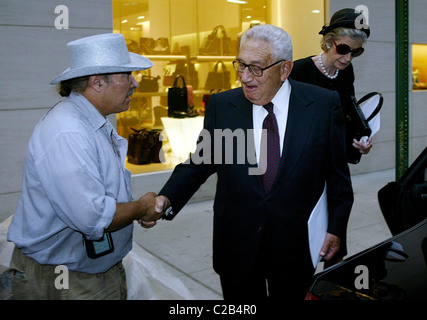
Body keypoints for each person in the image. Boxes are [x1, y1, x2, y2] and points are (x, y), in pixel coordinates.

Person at [150, 24, 354, 300]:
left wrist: (336, 229)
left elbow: (337, 176)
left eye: (256, 68)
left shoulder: (321, 104)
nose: (245, 77)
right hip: (237, 245)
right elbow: (201, 162)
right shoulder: (224, 106)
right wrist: (166, 199)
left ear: (285, 69)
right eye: (241, 66)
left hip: (296, 245)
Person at [7, 33, 164, 300]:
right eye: (127, 76)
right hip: (67, 280)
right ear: (97, 82)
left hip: (85, 273)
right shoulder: (69, 132)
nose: (135, 83)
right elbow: (93, 218)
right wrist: (142, 207)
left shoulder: (90, 123)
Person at [290, 8, 372, 164]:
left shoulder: (347, 72)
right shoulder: (298, 71)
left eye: (355, 52)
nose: (348, 58)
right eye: (343, 49)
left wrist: (361, 140)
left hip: (335, 156)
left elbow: (347, 111)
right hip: (304, 158)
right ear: (328, 42)